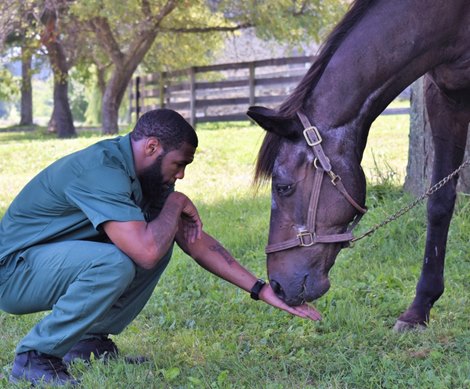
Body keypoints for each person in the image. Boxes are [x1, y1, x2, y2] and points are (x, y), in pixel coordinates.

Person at [0, 108, 321, 386]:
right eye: (179, 164)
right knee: (124, 258)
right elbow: (146, 251)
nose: (180, 175)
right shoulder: (102, 171)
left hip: (46, 263)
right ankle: (34, 358)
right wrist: (177, 202)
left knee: (157, 239)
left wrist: (260, 289)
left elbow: (194, 241)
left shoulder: (146, 176)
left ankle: (87, 341)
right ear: (152, 146)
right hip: (14, 272)